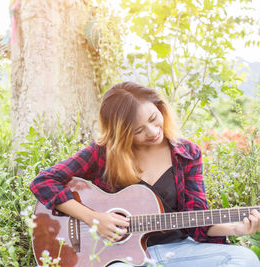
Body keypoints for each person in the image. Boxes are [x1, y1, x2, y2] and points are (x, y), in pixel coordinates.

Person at [30, 81, 260, 266]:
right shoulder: (102, 153)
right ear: (120, 133)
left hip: (179, 251)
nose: (152, 132)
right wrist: (93, 219)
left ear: (159, 107)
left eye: (153, 119)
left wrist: (236, 228)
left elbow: (196, 218)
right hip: (120, 257)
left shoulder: (187, 153)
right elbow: (43, 182)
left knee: (244, 259)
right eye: (138, 130)